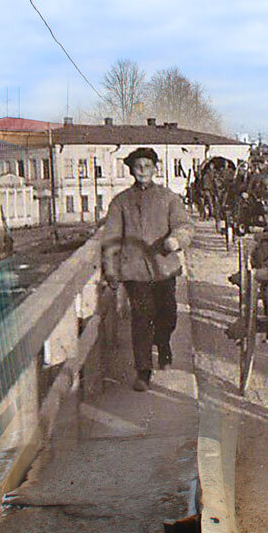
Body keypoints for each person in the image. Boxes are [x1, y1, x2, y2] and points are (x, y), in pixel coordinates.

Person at [101, 147, 194, 392]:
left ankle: (163, 344)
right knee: (142, 318)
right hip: (134, 271)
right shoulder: (120, 202)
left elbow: (184, 225)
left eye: (147, 166)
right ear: (131, 170)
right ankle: (143, 371)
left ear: (155, 169)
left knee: (168, 315)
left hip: (164, 267)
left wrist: (176, 240)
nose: (143, 170)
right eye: (138, 166)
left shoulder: (168, 198)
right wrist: (110, 270)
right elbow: (110, 238)